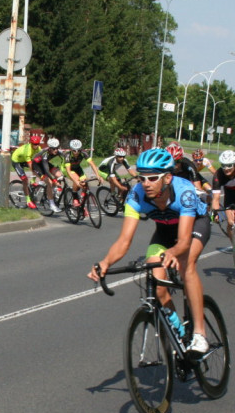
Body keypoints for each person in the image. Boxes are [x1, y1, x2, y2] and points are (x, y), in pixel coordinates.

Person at [88, 148, 211, 355]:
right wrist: (105, 262)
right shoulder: (136, 195)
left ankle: (200, 334)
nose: (146, 183)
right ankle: (179, 331)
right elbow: (124, 241)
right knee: (157, 282)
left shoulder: (184, 192)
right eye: (142, 178)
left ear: (168, 177)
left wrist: (173, 252)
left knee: (186, 265)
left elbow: (182, 242)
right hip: (164, 230)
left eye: (153, 178)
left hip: (194, 225)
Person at [62, 139, 104, 206]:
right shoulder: (67, 155)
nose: (76, 152)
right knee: (77, 180)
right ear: (71, 149)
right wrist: (76, 182)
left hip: (77, 168)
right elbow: (69, 171)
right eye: (74, 150)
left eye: (78, 150)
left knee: (85, 183)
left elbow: (92, 164)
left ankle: (82, 199)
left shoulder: (83, 153)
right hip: (67, 169)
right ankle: (75, 198)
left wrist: (98, 175)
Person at [32, 137, 66, 212]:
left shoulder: (58, 151)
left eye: (57, 148)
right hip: (37, 166)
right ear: (49, 148)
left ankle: (49, 191)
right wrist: (54, 181)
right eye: (54, 149)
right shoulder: (45, 153)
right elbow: (46, 170)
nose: (56, 150)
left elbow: (66, 159)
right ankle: (52, 204)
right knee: (50, 182)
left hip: (46, 163)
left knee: (59, 175)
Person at [10, 134, 43, 209]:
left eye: (38, 144)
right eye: (35, 144)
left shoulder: (39, 148)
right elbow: (31, 167)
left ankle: (32, 183)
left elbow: (41, 159)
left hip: (23, 160)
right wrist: (36, 175)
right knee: (25, 179)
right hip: (16, 160)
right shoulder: (27, 151)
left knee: (38, 167)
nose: (36, 146)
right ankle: (28, 201)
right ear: (31, 143)